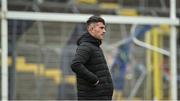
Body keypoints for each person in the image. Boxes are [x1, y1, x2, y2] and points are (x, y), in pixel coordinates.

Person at [71, 15, 114, 100]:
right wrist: (94, 80)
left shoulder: (94, 46)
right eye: (101, 28)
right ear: (91, 29)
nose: (104, 31)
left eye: (104, 28)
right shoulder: (86, 46)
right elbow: (76, 64)